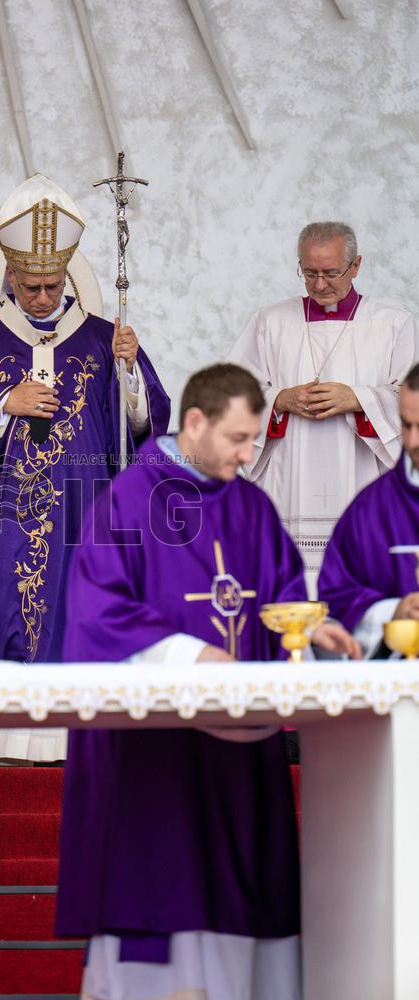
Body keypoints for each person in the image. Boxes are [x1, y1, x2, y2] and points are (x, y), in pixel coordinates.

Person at [55, 364, 359, 1000]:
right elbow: (97, 613)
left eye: (254, 440)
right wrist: (194, 658)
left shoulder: (249, 503)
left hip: (239, 753)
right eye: (239, 439)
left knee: (243, 884)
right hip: (153, 758)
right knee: (162, 871)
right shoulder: (128, 500)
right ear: (195, 423)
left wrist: (311, 630)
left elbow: (276, 600)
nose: (251, 454)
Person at [0, 174, 170, 762]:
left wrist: (129, 372)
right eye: (31, 286)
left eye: (51, 285)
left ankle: (68, 736)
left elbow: (143, 425)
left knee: (77, 612)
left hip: (83, 514)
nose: (42, 296)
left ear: (64, 276)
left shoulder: (102, 338)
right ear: (10, 276)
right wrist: (4, 402)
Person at [228, 221, 417, 580]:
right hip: (289, 480)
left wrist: (359, 399)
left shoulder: (393, 324)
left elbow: (412, 403)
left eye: (331, 273)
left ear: (355, 265)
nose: (319, 284)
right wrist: (280, 400)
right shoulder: (270, 322)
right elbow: (230, 395)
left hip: (362, 475)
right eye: (309, 272)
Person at [319, 364, 419, 658]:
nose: (412, 442)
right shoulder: (370, 510)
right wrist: (394, 612)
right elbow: (336, 597)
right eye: (406, 425)